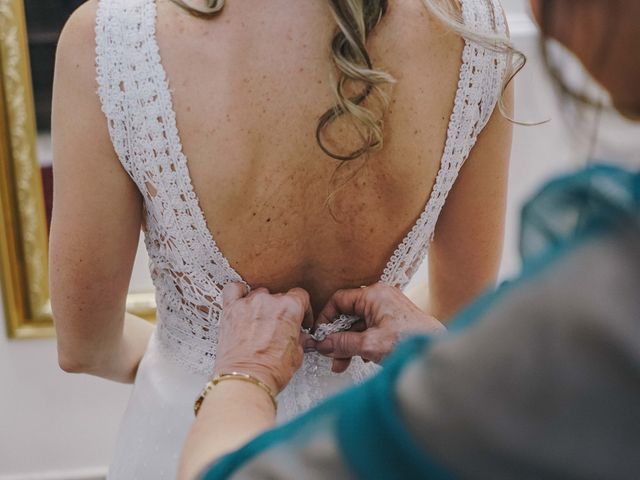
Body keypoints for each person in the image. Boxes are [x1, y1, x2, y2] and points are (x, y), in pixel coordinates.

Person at [49, 0, 514, 478]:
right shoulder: (471, 26)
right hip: (376, 438)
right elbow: (460, 304)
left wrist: (197, 356)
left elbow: (87, 346)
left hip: (193, 436)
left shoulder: (110, 40)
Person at [178, 0, 640, 478]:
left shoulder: (598, 303)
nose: (541, 12)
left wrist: (244, 374)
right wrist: (445, 356)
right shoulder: (473, 35)